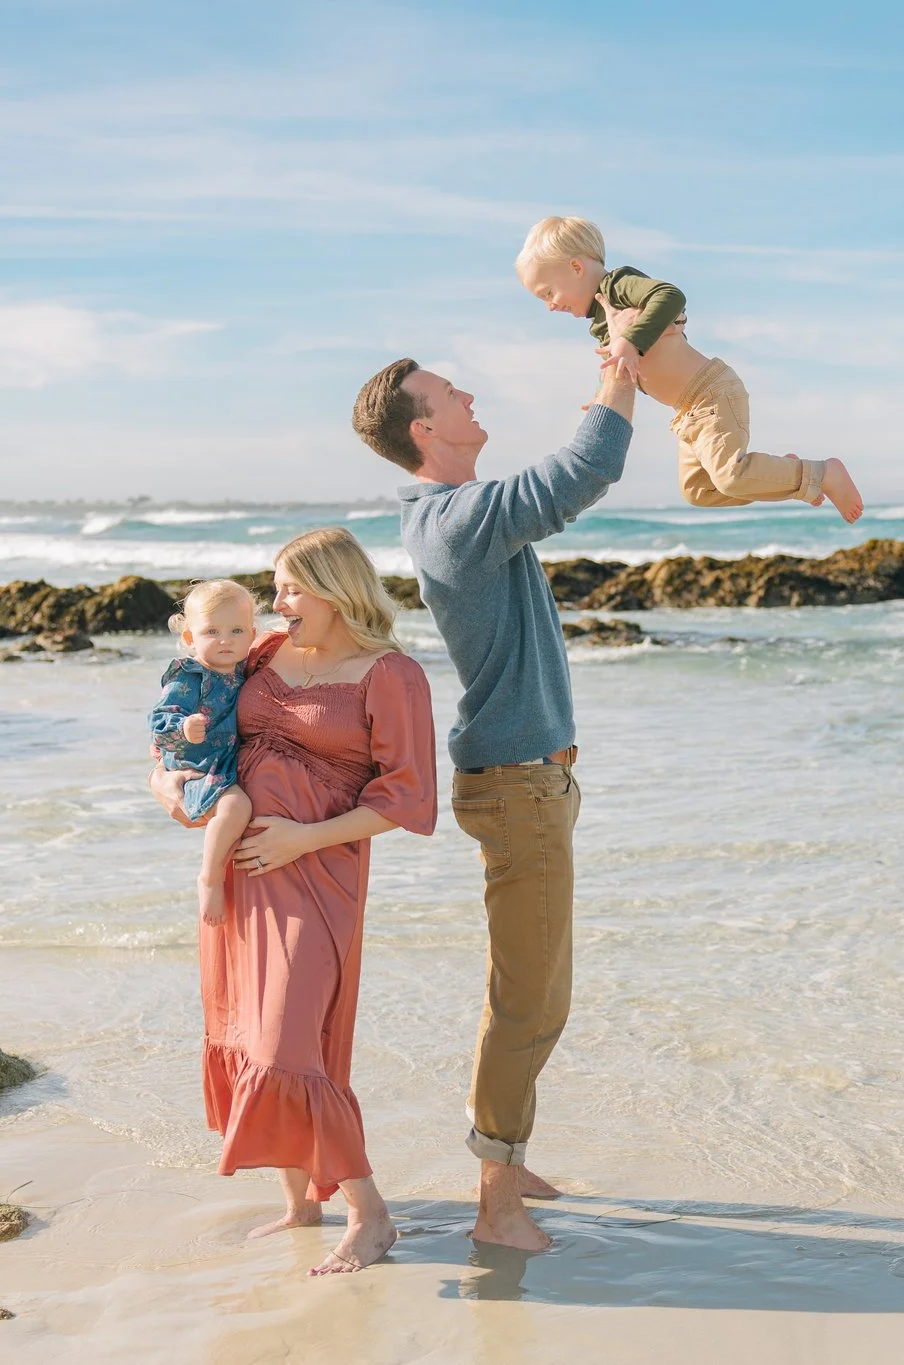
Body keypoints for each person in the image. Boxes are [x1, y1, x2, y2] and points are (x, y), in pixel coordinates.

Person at [350, 350, 632, 1252]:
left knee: (529, 991)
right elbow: (583, 470)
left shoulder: (459, 518)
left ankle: (505, 1157)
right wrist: (621, 370)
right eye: (449, 393)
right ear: (424, 428)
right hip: (518, 784)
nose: (469, 393)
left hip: (528, 780)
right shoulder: (454, 522)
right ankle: (496, 1206)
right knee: (531, 1003)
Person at [149, 528, 437, 1275]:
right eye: (276, 589)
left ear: (336, 588)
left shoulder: (391, 674)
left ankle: (371, 1216)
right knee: (251, 1035)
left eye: (290, 589)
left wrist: (303, 839)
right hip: (240, 874)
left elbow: (407, 798)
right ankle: (302, 1203)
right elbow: (187, 727)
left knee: (288, 1045)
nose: (276, 604)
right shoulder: (263, 654)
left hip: (317, 875)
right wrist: (166, 783)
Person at [514, 214, 865, 522]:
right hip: (686, 412)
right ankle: (786, 475)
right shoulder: (601, 321)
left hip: (710, 393)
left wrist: (630, 341)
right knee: (699, 491)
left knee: (729, 477)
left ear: (576, 268)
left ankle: (823, 473)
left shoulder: (617, 286)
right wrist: (601, 395)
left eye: (548, 293)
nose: (549, 306)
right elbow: (617, 360)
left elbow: (670, 296)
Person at [148, 578, 257, 925]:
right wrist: (183, 728)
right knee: (236, 806)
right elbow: (159, 722)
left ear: (252, 635)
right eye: (212, 631)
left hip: (222, 760)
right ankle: (209, 877)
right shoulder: (190, 676)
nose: (226, 640)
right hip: (195, 764)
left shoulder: (244, 671)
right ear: (190, 638)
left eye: (237, 630)